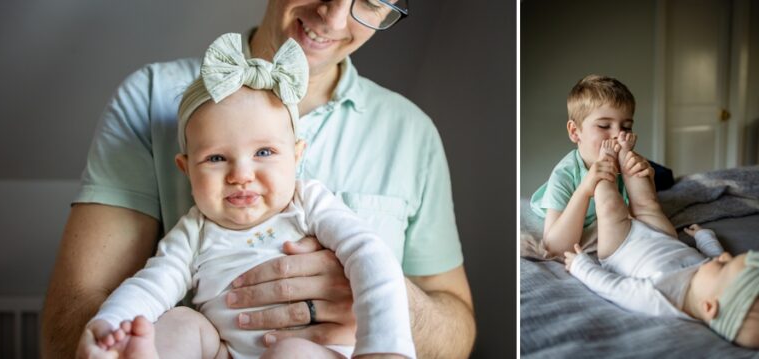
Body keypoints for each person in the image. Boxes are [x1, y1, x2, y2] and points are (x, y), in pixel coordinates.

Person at [45, 1, 475, 358]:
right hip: (221, 350)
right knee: (177, 324)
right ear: (187, 168)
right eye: (215, 158)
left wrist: (381, 332)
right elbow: (150, 285)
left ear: (296, 157)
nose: (335, 15)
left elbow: (397, 275)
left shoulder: (387, 149)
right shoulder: (156, 108)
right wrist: (109, 327)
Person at [563, 140, 759, 348]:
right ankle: (627, 156)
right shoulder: (709, 280)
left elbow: (613, 288)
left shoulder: (660, 299)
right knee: (649, 203)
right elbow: (715, 255)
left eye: (724, 266)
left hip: (620, 247)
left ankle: (605, 161)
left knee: (609, 206)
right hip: (663, 236)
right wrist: (704, 236)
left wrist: (580, 266)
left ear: (709, 306)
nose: (725, 256)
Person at [530, 75, 671, 257]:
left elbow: (646, 212)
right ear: (575, 132)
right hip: (575, 196)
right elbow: (554, 247)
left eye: (626, 127)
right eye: (604, 125)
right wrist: (585, 189)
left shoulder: (624, 163)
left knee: (660, 174)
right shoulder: (564, 175)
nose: (618, 134)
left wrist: (647, 179)